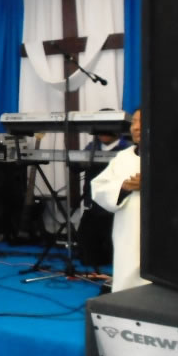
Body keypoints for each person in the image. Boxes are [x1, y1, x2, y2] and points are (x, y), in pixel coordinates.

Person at [91, 109, 149, 292]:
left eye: (142, 122)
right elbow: (99, 187)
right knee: (128, 276)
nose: (136, 127)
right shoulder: (123, 157)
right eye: (134, 122)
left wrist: (151, 183)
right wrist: (124, 187)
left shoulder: (172, 157)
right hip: (128, 232)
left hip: (160, 236)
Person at [76, 119, 132, 268]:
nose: (103, 133)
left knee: (116, 254)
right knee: (86, 255)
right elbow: (77, 167)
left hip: (117, 208)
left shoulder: (127, 149)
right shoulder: (91, 147)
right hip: (93, 205)